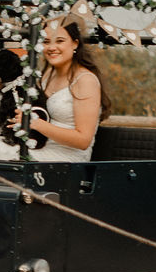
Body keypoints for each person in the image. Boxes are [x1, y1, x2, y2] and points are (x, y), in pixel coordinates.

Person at [25, 17, 110, 163]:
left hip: (65, 159)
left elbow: (83, 140)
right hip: (39, 148)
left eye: (59, 41)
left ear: (75, 43)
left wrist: (37, 124)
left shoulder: (85, 80)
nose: (51, 47)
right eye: (46, 42)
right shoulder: (47, 75)